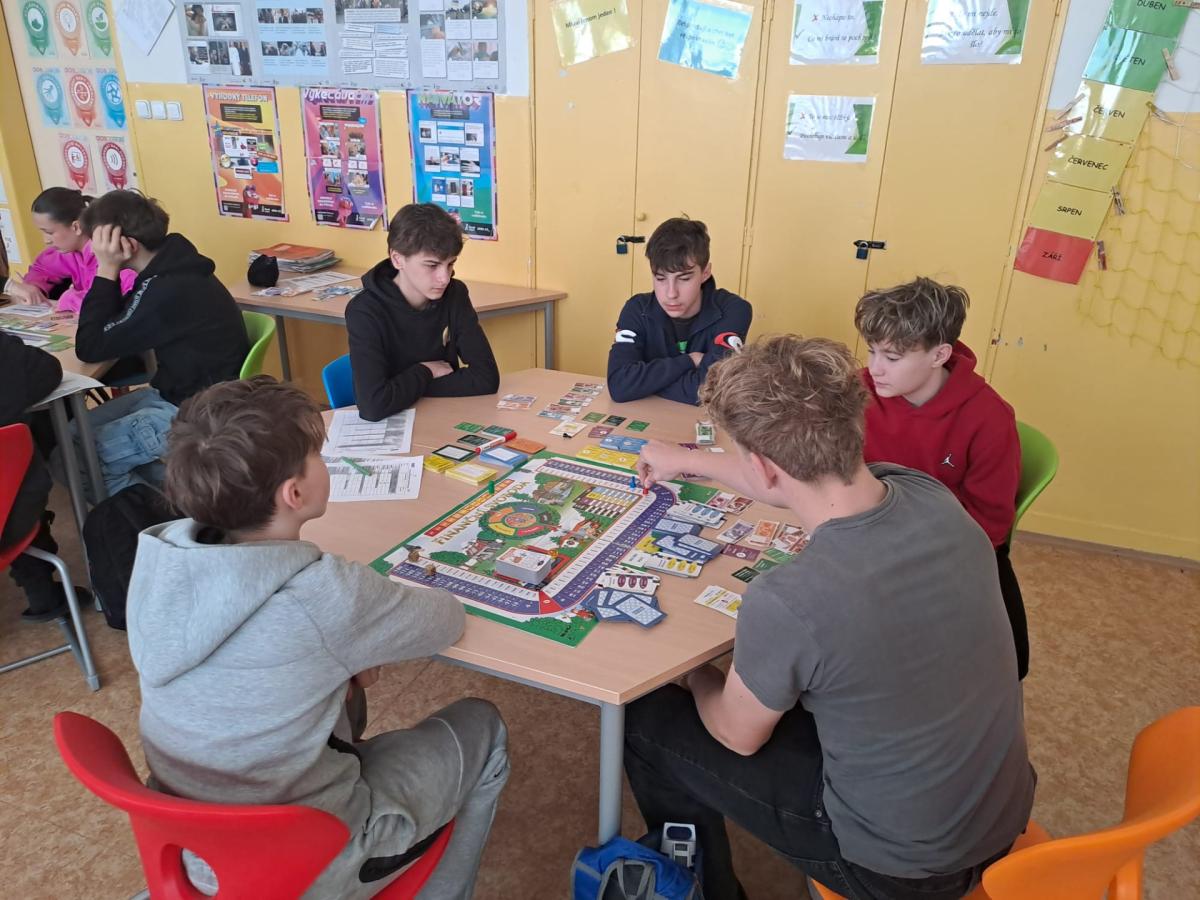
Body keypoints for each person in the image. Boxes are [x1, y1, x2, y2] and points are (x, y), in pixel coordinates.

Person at [627, 335, 1036, 900]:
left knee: (646, 719)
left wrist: (695, 674)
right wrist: (688, 460)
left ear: (762, 466)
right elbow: (792, 484)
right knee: (805, 687)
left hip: (900, 872)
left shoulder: (790, 599)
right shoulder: (928, 494)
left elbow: (735, 736)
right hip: (1000, 816)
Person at [127, 376, 509, 898]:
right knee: (484, 725)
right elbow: (446, 620)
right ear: (295, 493)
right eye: (318, 456)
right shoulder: (324, 594)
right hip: (308, 863)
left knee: (346, 697)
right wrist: (354, 640)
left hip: (188, 849)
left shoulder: (159, 557)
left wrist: (343, 655)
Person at [854, 277, 1028, 679]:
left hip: (948, 546)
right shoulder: (858, 392)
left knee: (1007, 661)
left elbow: (989, 526)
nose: (875, 368)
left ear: (940, 355)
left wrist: (909, 552)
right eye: (872, 351)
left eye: (892, 357)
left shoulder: (989, 417)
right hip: (867, 530)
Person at [69, 190, 247, 496]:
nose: (95, 252)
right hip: (187, 393)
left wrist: (107, 269)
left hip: (191, 410)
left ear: (125, 244)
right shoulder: (173, 266)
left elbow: (90, 346)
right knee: (73, 433)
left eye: (98, 245)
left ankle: (163, 515)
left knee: (75, 458)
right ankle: (193, 497)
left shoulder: (166, 288)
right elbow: (118, 323)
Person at [346, 203, 500, 421]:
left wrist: (401, 389)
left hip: (442, 418)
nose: (444, 278)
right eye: (432, 265)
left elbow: (486, 378)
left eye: (450, 264)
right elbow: (373, 405)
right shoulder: (364, 311)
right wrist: (426, 371)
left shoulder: (455, 294)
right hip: (391, 427)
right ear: (397, 259)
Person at [607, 217, 751, 405]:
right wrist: (690, 360)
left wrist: (645, 383)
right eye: (660, 278)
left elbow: (713, 390)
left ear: (705, 273)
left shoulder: (734, 310)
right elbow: (620, 386)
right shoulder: (636, 309)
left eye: (684, 279)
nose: (671, 293)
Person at [0, 334, 91, 621]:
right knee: (14, 479)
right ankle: (41, 590)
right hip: (9, 521)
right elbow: (47, 371)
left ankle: (41, 590)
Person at [2, 188, 135, 314]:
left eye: (49, 232)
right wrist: (34, 288)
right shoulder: (69, 253)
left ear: (76, 227)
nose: (46, 240)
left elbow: (126, 298)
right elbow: (42, 268)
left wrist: (69, 299)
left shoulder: (112, 252)